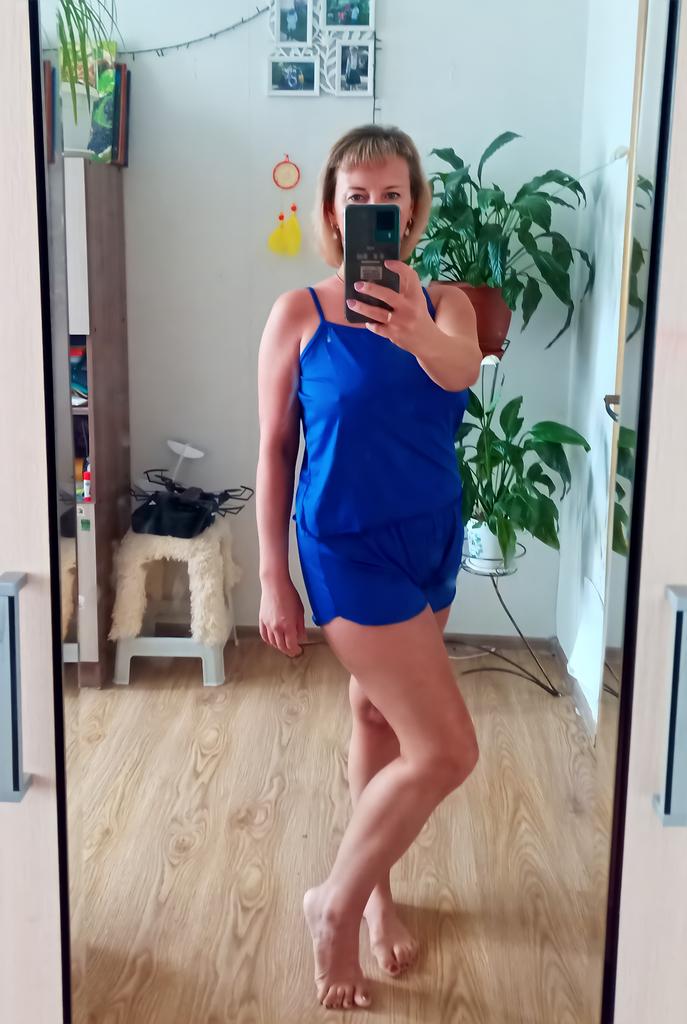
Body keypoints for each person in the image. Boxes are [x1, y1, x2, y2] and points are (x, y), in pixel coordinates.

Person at [256, 124, 482, 1011]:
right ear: (331, 211)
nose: (376, 210)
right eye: (359, 198)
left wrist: (414, 326)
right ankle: (336, 905)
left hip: (430, 539)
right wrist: (271, 575)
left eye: (392, 197)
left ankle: (379, 898)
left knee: (376, 715)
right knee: (447, 749)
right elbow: (275, 451)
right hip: (346, 548)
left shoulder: (448, 306)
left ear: (413, 210)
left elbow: (459, 372)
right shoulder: (297, 316)